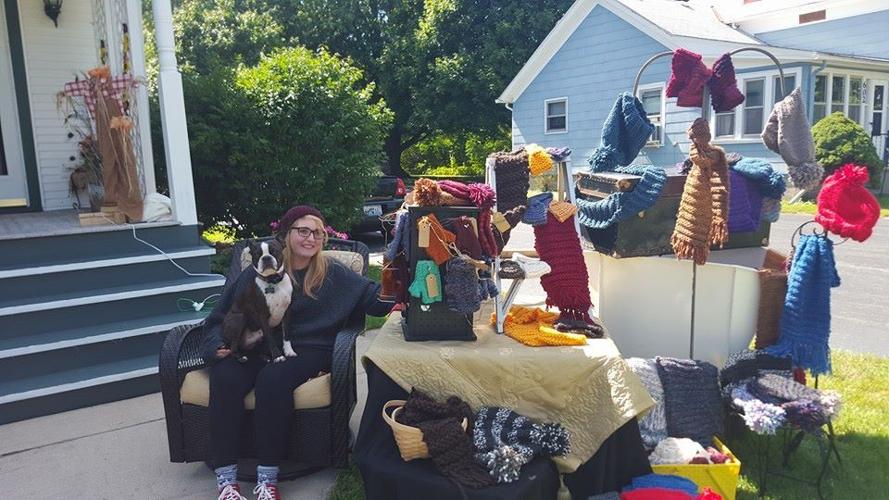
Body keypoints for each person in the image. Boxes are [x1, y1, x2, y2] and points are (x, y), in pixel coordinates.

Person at [201, 205, 393, 500]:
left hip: (310, 348)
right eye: (303, 230)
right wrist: (216, 346)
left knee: (272, 380)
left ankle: (267, 480)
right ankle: (227, 481)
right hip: (257, 346)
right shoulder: (256, 273)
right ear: (285, 235)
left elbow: (372, 298)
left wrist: (399, 290)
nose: (311, 238)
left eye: (317, 232)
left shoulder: (333, 273)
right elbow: (220, 317)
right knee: (225, 376)